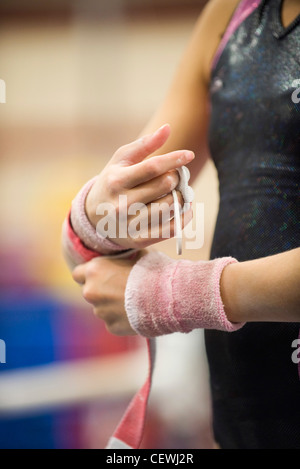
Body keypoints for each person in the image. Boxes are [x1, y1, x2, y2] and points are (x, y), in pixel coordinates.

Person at [62, 0, 300, 449]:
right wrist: (96, 215)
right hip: (242, 423)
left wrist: (175, 295)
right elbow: (102, 230)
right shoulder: (230, 12)